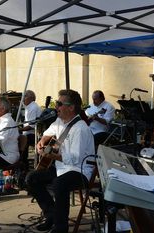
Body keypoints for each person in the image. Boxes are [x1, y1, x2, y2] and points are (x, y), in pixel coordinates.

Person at [26, 89, 95, 233]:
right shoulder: (59, 121)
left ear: (71, 107)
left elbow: (75, 158)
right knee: (31, 178)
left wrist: (53, 156)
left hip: (79, 170)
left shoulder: (81, 129)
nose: (56, 106)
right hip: (61, 167)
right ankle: (51, 215)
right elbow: (49, 132)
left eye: (59, 104)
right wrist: (42, 140)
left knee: (59, 184)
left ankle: (60, 228)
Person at [19, 90, 42, 167]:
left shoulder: (32, 107)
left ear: (31, 98)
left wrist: (19, 129)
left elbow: (31, 126)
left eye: (24, 97)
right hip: (30, 133)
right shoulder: (29, 107)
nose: (22, 99)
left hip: (33, 134)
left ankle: (23, 164)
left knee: (20, 139)